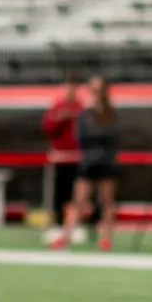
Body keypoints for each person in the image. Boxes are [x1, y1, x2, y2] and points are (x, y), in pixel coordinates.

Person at [58, 76, 120, 251]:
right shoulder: (84, 115)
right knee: (78, 200)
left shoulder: (111, 114)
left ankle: (106, 238)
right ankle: (66, 236)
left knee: (106, 201)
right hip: (89, 162)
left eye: (99, 90)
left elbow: (113, 137)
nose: (96, 94)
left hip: (106, 162)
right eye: (93, 90)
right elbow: (80, 137)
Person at [40, 70, 83, 243]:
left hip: (78, 157)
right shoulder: (57, 106)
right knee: (59, 193)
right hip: (60, 158)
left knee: (78, 195)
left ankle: (75, 226)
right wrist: (60, 118)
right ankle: (58, 225)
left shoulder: (81, 108)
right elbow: (47, 128)